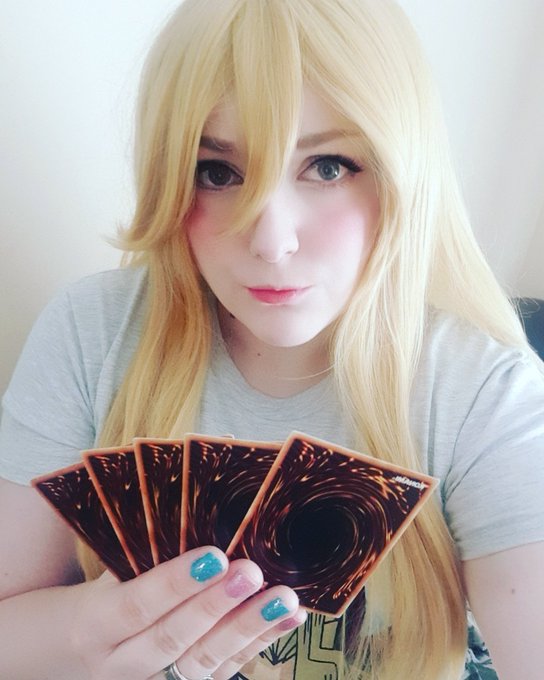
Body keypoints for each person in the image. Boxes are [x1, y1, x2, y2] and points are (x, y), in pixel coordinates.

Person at [0, 0, 543, 678]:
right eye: (217, 172)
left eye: (328, 166)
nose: (271, 241)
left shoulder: (484, 392)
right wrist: (93, 629)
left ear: (403, 171)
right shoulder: (93, 333)